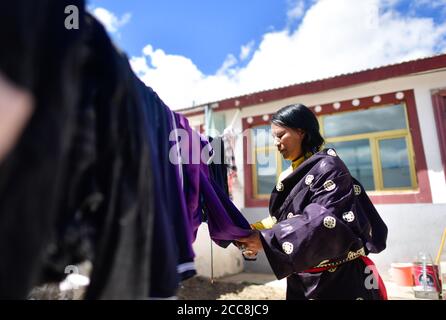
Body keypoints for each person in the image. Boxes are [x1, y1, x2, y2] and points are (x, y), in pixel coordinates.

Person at [236, 103, 388, 300]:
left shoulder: (329, 167)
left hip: (339, 280)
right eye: (274, 137)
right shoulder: (287, 175)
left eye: (280, 135)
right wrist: (252, 231)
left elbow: (325, 219)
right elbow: (284, 218)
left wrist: (267, 240)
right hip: (301, 280)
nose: (276, 143)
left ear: (301, 132)